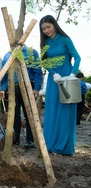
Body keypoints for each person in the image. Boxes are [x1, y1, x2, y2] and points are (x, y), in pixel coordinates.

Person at [39, 15, 81, 155]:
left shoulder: (65, 40)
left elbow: (77, 57)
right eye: (43, 29)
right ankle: (50, 144)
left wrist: (73, 73)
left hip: (67, 78)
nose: (46, 30)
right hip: (54, 80)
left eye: (48, 27)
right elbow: (44, 62)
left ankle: (63, 146)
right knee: (51, 111)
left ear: (54, 25)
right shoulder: (45, 43)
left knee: (65, 111)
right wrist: (52, 73)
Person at [0, 45, 43, 148]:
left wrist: (36, 88)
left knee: (29, 114)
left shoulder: (32, 52)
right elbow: (4, 73)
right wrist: (2, 88)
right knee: (14, 115)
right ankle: (16, 139)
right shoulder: (8, 55)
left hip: (28, 86)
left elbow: (37, 71)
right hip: (12, 87)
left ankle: (30, 140)